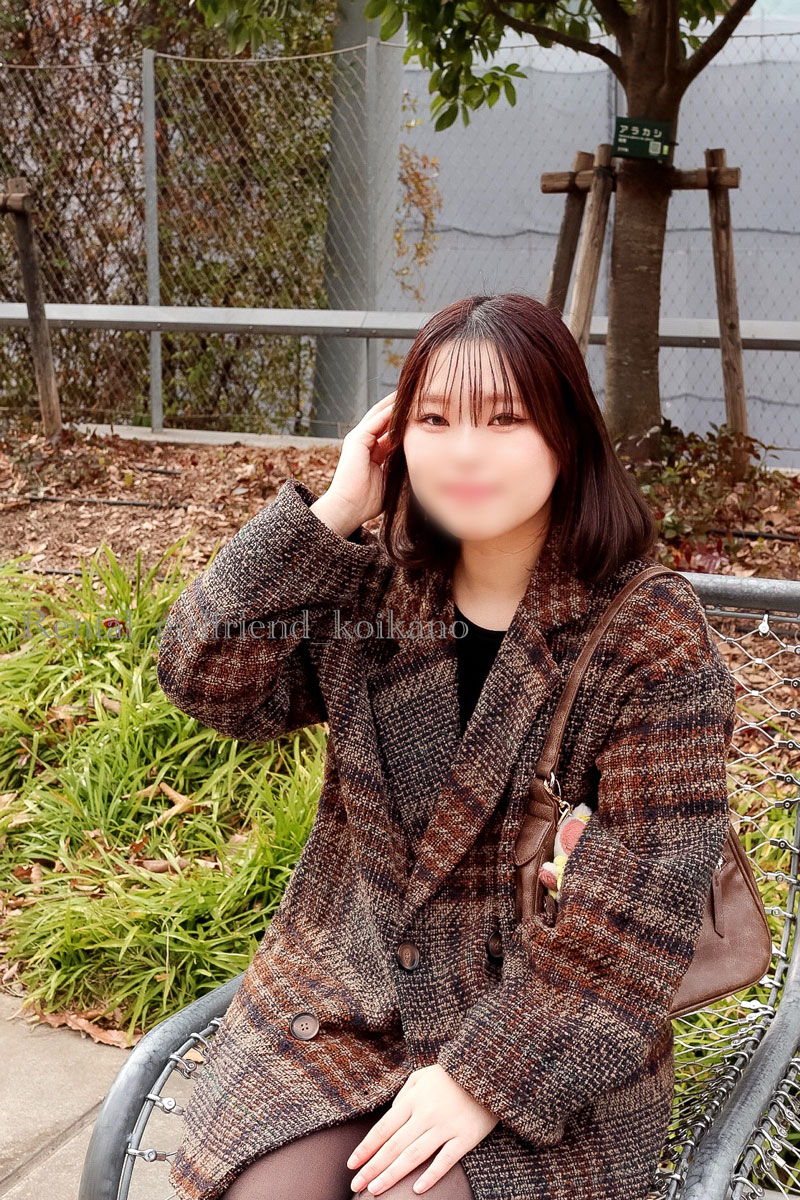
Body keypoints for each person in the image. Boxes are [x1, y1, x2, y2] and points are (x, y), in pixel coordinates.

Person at [157, 292, 737, 1200]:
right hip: (350, 1004)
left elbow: (636, 917)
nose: (465, 451)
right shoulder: (377, 589)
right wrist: (335, 509)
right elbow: (205, 679)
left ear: (568, 435)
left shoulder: (648, 633)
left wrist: (481, 1080)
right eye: (434, 419)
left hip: (551, 1031)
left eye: (505, 419)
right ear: (396, 438)